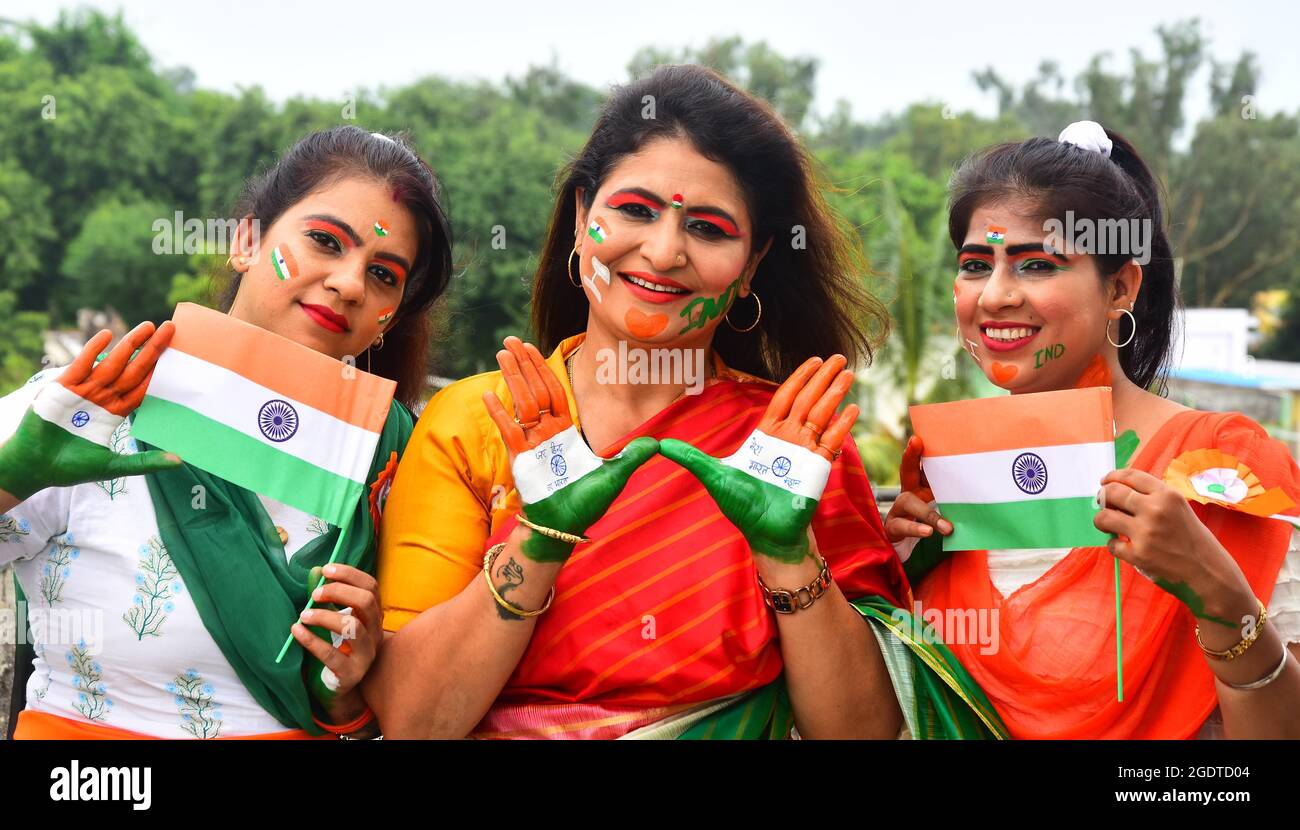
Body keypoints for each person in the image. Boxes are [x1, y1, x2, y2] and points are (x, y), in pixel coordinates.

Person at [366, 65, 1003, 739]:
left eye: (708, 228)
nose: (665, 251)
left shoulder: (794, 447)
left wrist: (786, 553)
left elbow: (860, 731)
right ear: (583, 218)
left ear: (753, 262)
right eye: (636, 211)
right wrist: (539, 540)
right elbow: (413, 721)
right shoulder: (477, 425)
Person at [0, 125, 453, 739]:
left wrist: (346, 693)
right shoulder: (95, 403)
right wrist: (10, 480)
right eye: (324, 240)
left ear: (389, 317)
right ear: (246, 239)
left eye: (384, 275)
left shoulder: (394, 462)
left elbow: (391, 719)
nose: (350, 284)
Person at [886, 121, 1300, 738]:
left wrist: (1222, 601)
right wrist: (894, 570)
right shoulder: (946, 477)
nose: (995, 296)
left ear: (1120, 288)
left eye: (1036, 265)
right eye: (976, 265)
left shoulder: (1220, 465)